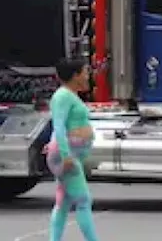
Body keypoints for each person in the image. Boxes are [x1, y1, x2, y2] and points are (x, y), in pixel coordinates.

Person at [47, 58, 100, 241]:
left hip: (68, 153)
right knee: (83, 201)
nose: (88, 76)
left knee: (63, 202)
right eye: (85, 72)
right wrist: (65, 155)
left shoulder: (69, 95)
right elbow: (59, 126)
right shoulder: (62, 96)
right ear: (75, 76)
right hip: (66, 156)